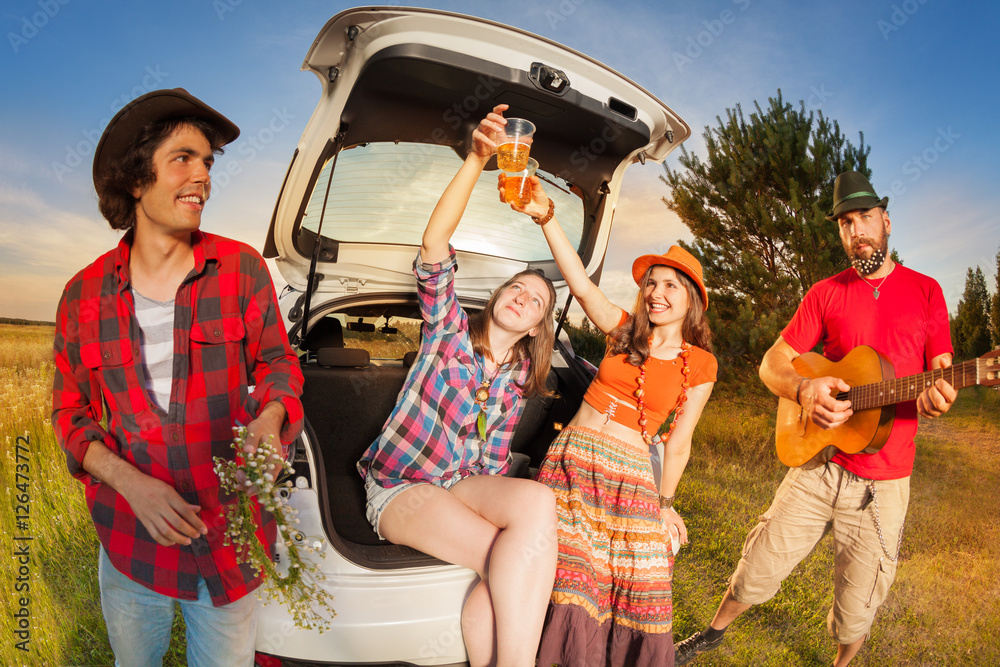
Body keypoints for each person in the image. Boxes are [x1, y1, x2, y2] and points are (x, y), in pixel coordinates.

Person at [52, 88, 304, 667]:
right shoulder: (82, 295)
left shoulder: (240, 269)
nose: (204, 178)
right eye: (183, 159)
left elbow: (277, 364)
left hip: (227, 534)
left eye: (209, 162)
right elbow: (71, 415)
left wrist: (271, 415)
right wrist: (131, 485)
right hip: (130, 540)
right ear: (137, 181)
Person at [673, 171, 957, 666]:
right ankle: (712, 634)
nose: (856, 231)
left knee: (857, 607)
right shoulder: (826, 293)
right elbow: (772, 362)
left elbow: (941, 368)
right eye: (846, 223)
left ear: (886, 221)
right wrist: (803, 388)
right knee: (757, 565)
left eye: (865, 217)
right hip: (818, 463)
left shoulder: (927, 291)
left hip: (884, 482)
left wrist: (942, 392)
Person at [356, 104, 558, 667]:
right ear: (497, 297)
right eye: (517, 287)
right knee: (511, 558)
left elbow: (491, 466)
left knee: (535, 509)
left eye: (535, 299)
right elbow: (435, 242)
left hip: (464, 485)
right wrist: (476, 160)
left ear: (537, 325)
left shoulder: (519, 379)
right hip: (403, 485)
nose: (522, 295)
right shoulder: (446, 332)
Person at [498, 172, 717, 665]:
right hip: (572, 460)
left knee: (633, 583)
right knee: (567, 573)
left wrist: (665, 502)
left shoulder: (700, 363)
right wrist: (548, 217)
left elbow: (679, 442)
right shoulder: (622, 332)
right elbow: (577, 278)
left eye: (669, 286)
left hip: (630, 476)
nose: (656, 293)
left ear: (691, 298)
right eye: (651, 284)